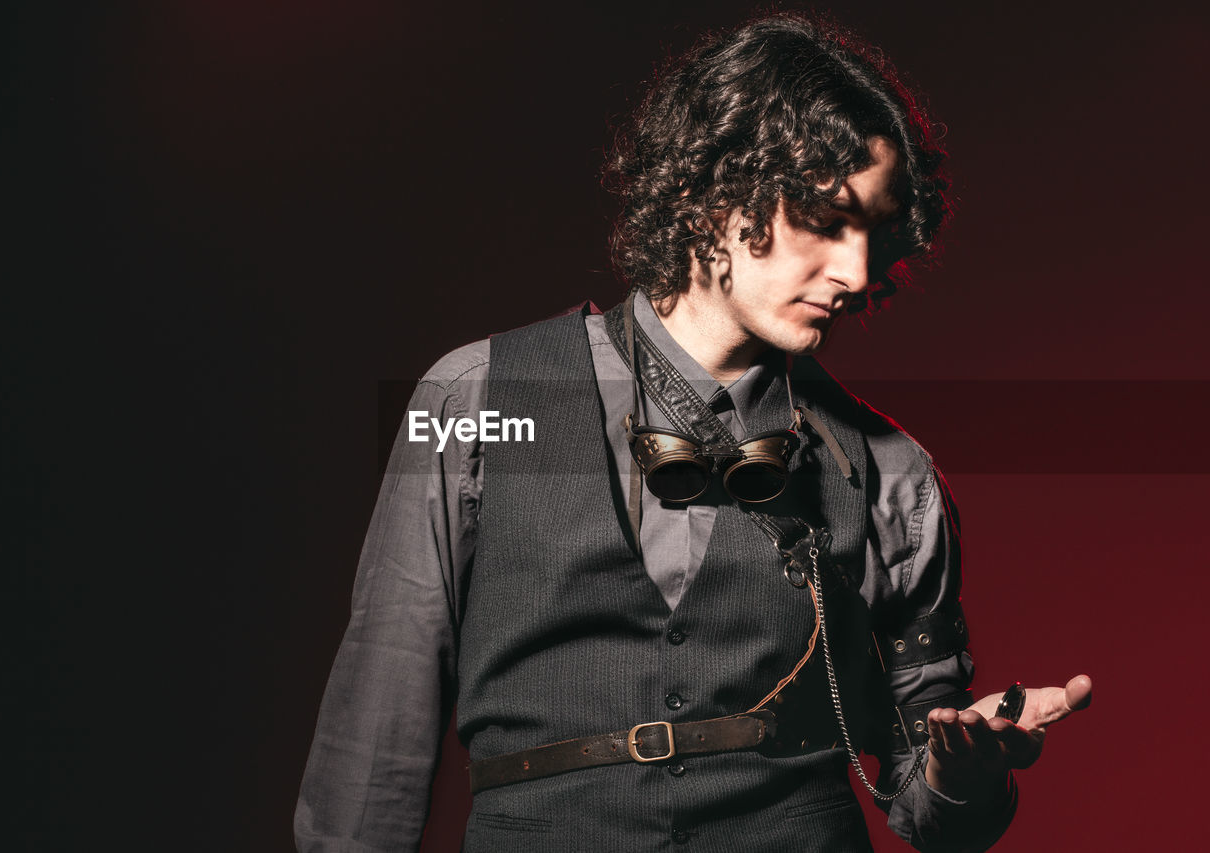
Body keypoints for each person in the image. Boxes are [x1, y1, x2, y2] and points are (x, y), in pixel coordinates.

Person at [295, 13, 1092, 852]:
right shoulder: (472, 397)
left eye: (875, 230)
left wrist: (964, 771)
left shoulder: (893, 474)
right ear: (713, 190)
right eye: (828, 218)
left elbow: (922, 801)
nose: (857, 272)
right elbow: (373, 740)